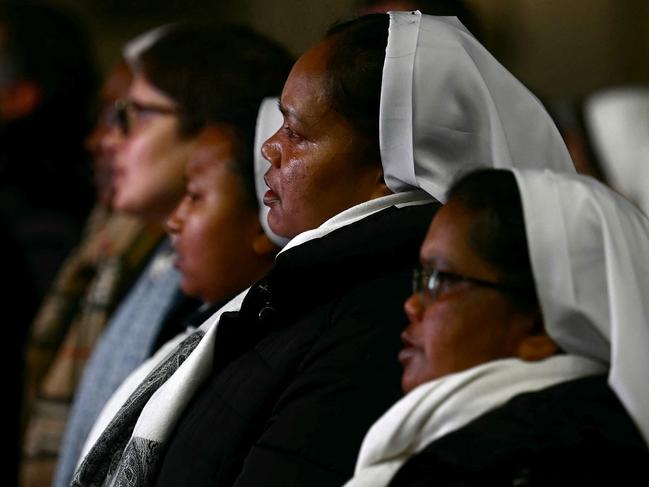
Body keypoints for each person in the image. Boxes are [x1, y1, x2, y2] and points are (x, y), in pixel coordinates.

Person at [72, 11, 574, 487]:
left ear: (388, 165)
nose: (269, 148)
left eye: (296, 131)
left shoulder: (380, 319)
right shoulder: (293, 294)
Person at [53, 22, 293, 487]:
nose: (106, 139)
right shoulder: (151, 257)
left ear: (209, 129)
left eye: (132, 114)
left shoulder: (214, 282)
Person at [345, 167, 649, 486]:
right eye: (422, 277)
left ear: (540, 327)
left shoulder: (495, 465)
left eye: (442, 280)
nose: (413, 305)